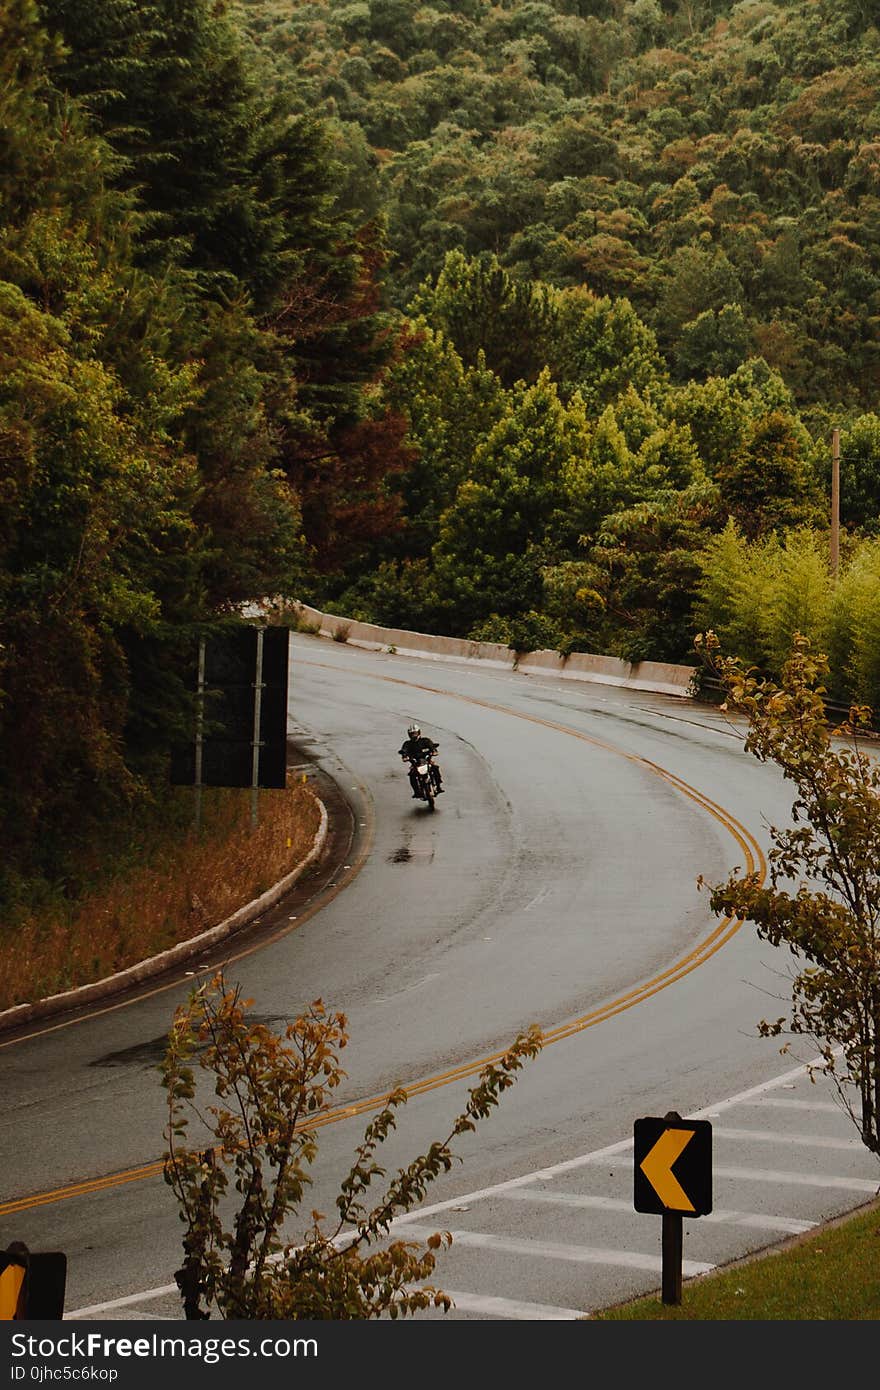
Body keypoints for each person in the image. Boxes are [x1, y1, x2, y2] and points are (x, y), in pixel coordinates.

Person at [398, 722, 444, 796]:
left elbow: (432, 747)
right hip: (415, 763)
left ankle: (438, 786)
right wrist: (404, 756)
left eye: (415, 733)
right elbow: (404, 751)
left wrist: (434, 751)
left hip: (426, 760)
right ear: (409, 734)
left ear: (419, 732)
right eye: (412, 734)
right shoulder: (407, 744)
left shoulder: (425, 740)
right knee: (412, 774)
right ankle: (416, 792)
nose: (414, 735)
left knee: (435, 768)